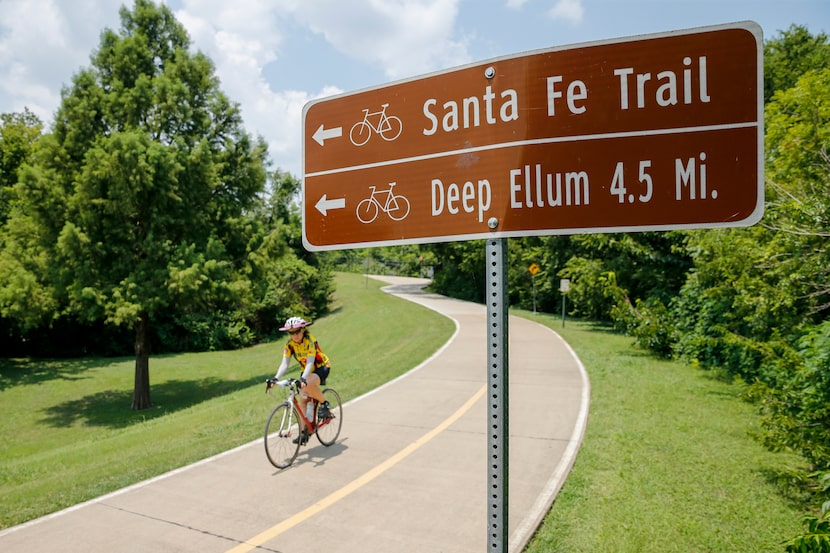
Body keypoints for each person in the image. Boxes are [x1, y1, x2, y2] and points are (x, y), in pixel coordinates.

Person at [272, 316, 332, 444]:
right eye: (291, 333)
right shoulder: (289, 346)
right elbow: (284, 364)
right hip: (306, 371)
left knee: (307, 384)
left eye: (297, 331)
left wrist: (303, 379)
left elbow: (310, 362)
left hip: (321, 367)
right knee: (303, 400)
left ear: (303, 329)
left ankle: (325, 404)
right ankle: (305, 432)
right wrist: (275, 378)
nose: (295, 335)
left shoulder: (310, 341)